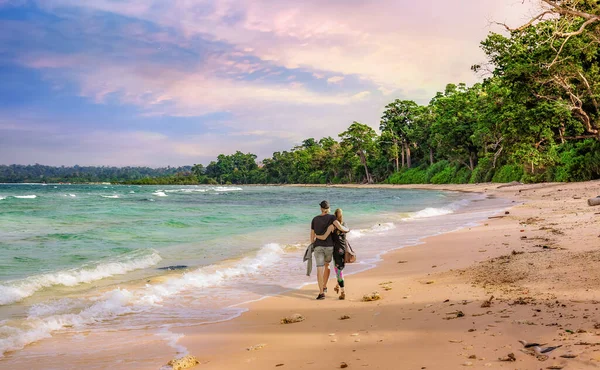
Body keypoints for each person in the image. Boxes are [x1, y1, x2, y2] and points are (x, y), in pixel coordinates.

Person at [315, 208, 350, 300]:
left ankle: (343, 292)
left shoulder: (332, 226)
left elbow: (325, 237)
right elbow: (347, 230)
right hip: (343, 250)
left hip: (336, 251)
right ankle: (338, 286)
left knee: (339, 272)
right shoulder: (344, 225)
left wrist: (316, 236)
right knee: (340, 269)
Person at [310, 200, 336, 300]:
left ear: (321, 208)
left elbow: (312, 234)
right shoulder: (332, 217)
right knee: (327, 265)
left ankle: (321, 293)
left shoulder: (315, 219)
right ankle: (324, 285)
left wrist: (312, 244)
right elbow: (337, 226)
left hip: (318, 246)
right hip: (329, 246)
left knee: (319, 268)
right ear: (329, 208)